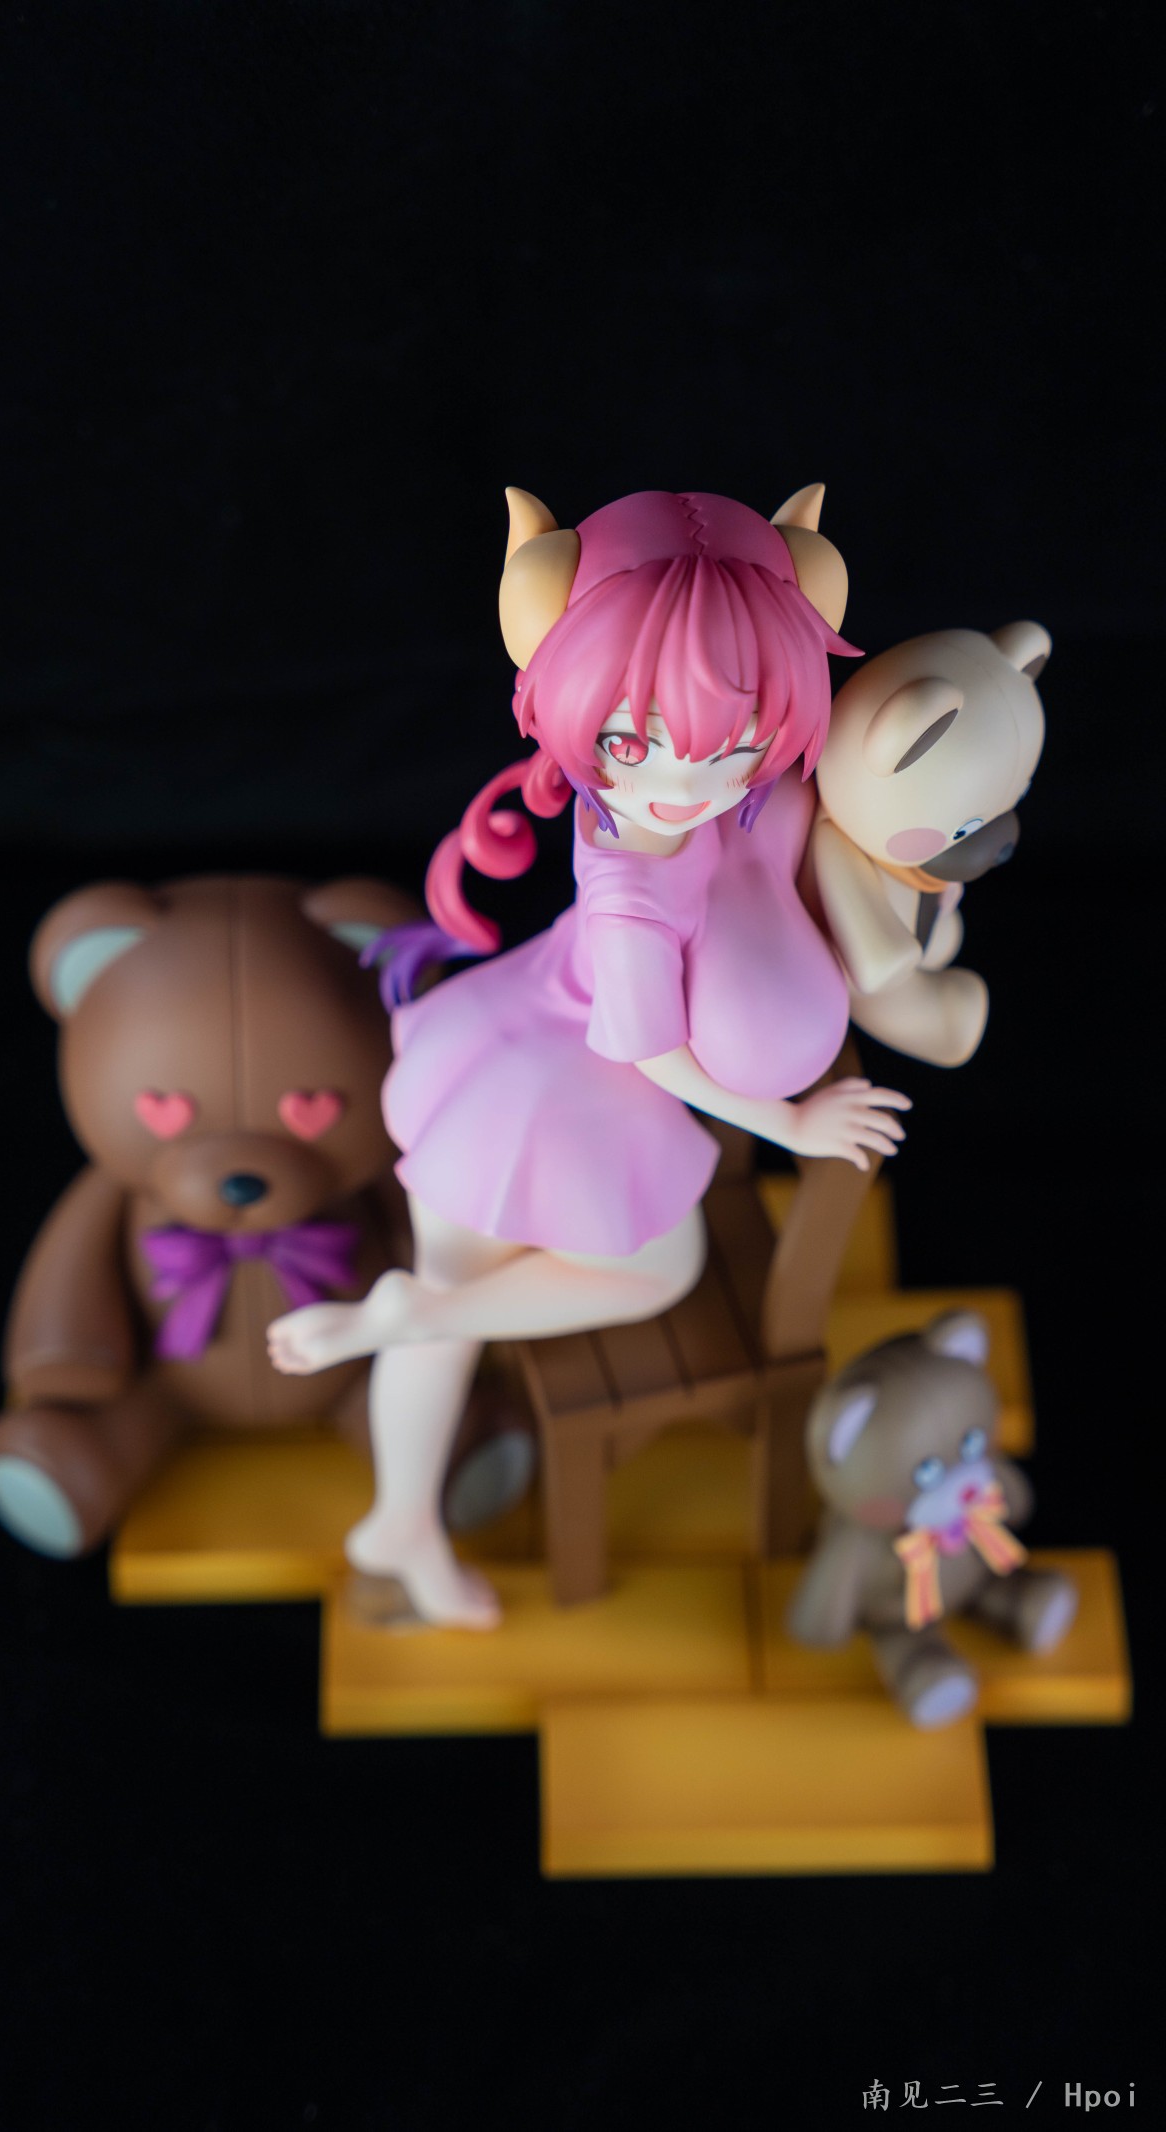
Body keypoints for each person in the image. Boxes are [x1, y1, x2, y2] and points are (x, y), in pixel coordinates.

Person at [268, 485, 910, 1627]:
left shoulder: (712, 801)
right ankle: (407, 1329)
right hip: (569, 1084)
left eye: (736, 744)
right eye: (631, 742)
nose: (688, 781)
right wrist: (794, 1122)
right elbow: (654, 1054)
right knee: (651, 1272)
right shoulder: (626, 895)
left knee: (458, 1278)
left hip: (520, 1031)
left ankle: (400, 1508)